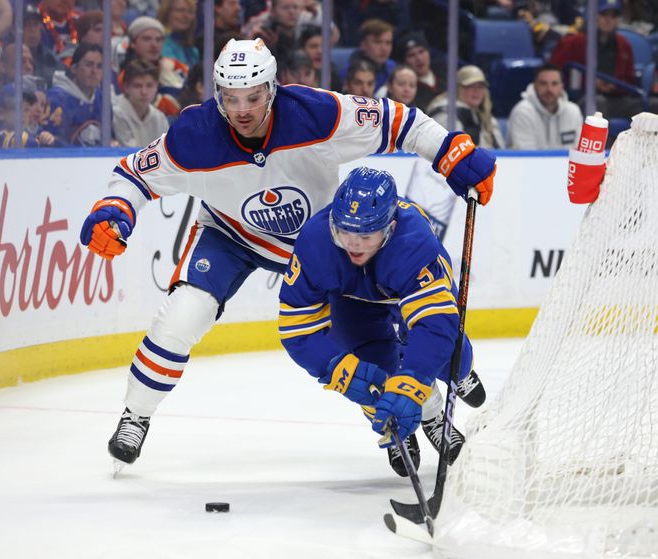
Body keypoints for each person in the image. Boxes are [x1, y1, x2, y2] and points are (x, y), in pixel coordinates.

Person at [78, 38, 496, 468]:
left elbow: (400, 121)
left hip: (323, 242)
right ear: (218, 95)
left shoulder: (317, 113)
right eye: (231, 98)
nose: (242, 110)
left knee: (378, 332)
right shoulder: (194, 135)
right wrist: (116, 208)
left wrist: (449, 150)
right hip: (231, 236)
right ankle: (136, 414)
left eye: (253, 97)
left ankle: (431, 408)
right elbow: (133, 173)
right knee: (183, 315)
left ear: (273, 88)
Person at [277, 167, 486, 475]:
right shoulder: (315, 241)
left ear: (389, 228)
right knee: (372, 373)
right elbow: (297, 327)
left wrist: (413, 383)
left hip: (408, 287)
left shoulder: (414, 243)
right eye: (344, 231)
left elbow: (434, 327)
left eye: (365, 235)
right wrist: (337, 369)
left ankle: (462, 375)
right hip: (354, 301)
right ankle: (413, 423)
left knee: (453, 357)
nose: (353, 244)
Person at [549, 0, 645, 119]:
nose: (609, 20)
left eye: (613, 15)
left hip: (615, 99)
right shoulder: (572, 42)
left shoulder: (624, 44)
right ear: (591, 15)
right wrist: (590, 83)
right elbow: (553, 73)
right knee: (598, 104)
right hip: (582, 99)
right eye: (604, 14)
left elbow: (629, 81)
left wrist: (614, 86)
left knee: (648, 107)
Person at [507, 63, 584, 150]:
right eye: (543, 83)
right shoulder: (522, 112)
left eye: (554, 84)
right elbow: (526, 156)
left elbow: (579, 151)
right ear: (535, 85)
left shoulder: (573, 111)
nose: (549, 89)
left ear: (562, 86)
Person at [428, 65, 504, 149]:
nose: (476, 91)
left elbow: (503, 152)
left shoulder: (487, 118)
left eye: (480, 86)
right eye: (470, 86)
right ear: (457, 89)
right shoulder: (446, 113)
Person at [45, 42, 104, 146]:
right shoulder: (57, 98)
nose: (94, 71)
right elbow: (51, 141)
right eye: (89, 65)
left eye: (99, 66)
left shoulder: (102, 98)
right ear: (74, 69)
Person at [112, 58, 169, 147]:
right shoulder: (115, 112)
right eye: (137, 86)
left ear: (157, 87)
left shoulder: (160, 118)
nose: (144, 92)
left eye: (149, 86)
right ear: (126, 87)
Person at [395, 31, 446, 113]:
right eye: (411, 55)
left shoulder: (444, 70)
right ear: (404, 62)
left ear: (429, 52)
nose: (418, 58)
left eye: (421, 52)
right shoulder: (409, 90)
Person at [346, 18, 395, 95]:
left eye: (388, 43)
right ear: (363, 44)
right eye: (377, 42)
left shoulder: (393, 68)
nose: (384, 48)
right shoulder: (349, 71)